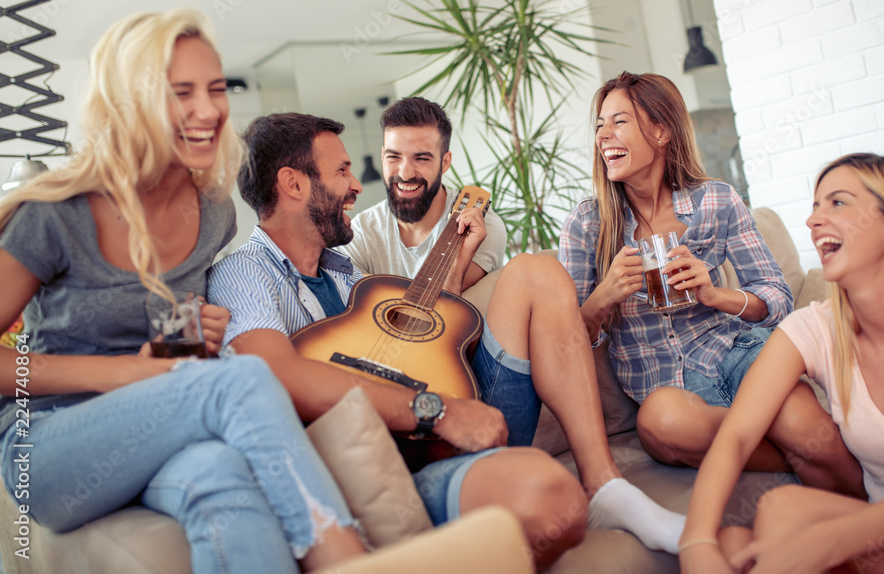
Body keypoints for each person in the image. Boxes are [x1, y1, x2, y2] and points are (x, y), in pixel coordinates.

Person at [208, 111, 693, 566]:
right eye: (341, 172)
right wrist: (437, 410)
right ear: (293, 184)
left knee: (537, 270)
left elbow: (420, 331)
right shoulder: (243, 273)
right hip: (393, 463)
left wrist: (458, 258)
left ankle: (605, 485)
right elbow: (274, 375)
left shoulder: (347, 274)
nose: (357, 185)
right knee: (549, 500)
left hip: (451, 420)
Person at [0, 11, 366, 573]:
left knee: (222, 479)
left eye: (216, 89)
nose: (208, 109)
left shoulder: (214, 212)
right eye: (181, 92)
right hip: (48, 444)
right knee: (240, 380)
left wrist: (188, 334)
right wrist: (125, 374)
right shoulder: (54, 216)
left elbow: (165, 342)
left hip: (156, 426)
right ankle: (348, 558)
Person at [680, 153, 884, 573]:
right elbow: (737, 436)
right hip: (882, 533)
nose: (813, 221)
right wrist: (696, 541)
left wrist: (825, 542)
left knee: (782, 520)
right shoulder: (814, 328)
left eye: (838, 203)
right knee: (732, 540)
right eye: (815, 206)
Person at [559, 71, 864, 497]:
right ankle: (801, 450)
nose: (603, 135)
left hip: (739, 355)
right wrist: (604, 296)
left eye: (619, 122)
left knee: (811, 433)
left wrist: (714, 294)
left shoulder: (715, 200)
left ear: (661, 130)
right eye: (599, 125)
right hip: (664, 388)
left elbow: (776, 298)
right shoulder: (588, 224)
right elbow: (563, 346)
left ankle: (880, 539)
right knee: (661, 424)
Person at [339, 96, 507, 291]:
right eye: (393, 157)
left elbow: (439, 309)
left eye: (421, 159)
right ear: (382, 156)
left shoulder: (480, 228)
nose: (405, 173)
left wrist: (459, 261)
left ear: (445, 162)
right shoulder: (359, 233)